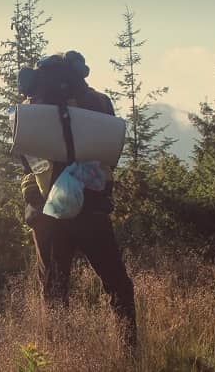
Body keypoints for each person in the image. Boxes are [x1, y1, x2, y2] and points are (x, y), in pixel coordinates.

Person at [18, 51, 137, 346]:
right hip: (91, 208)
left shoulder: (31, 109)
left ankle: (58, 356)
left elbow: (25, 161)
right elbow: (112, 154)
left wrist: (34, 192)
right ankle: (130, 351)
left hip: (47, 211)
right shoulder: (97, 102)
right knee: (116, 284)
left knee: (55, 291)